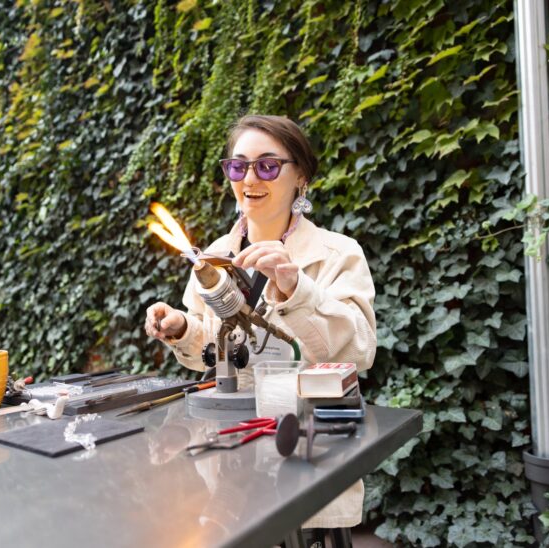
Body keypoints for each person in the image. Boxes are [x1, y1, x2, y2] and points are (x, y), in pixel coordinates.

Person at [145, 114, 377, 545]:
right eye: (238, 165)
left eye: (268, 166)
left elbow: (359, 350)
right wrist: (182, 329)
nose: (250, 178)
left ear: (300, 177)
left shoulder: (338, 254)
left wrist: (295, 288)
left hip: (308, 448)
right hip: (232, 456)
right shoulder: (214, 256)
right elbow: (208, 356)